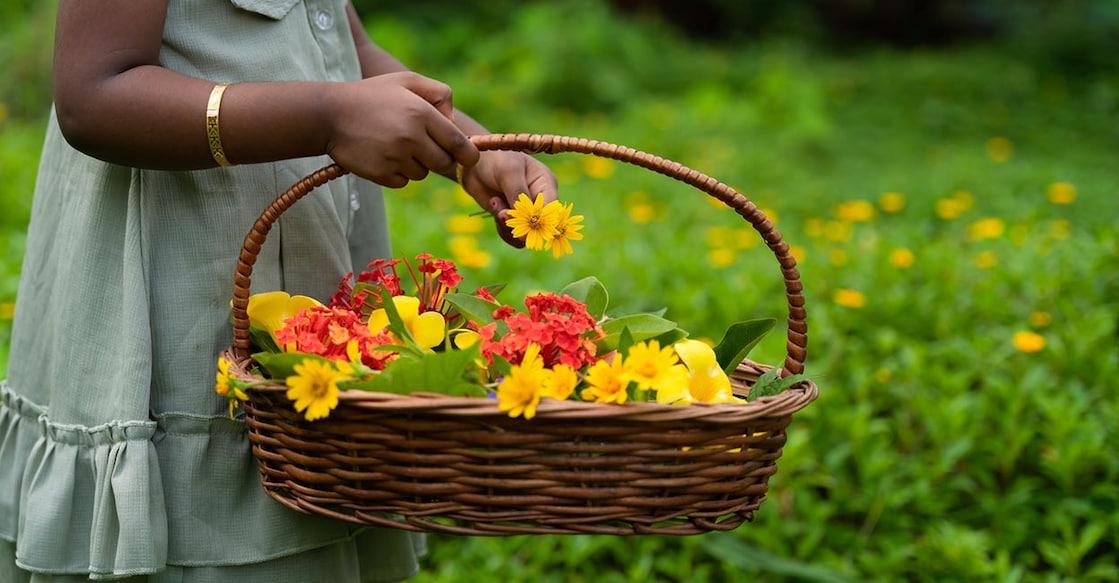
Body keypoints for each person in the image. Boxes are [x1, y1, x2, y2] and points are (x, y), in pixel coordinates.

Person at [0, 0, 557, 581]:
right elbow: (95, 96)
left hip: (307, 287)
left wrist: (471, 147)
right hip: (177, 315)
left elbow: (340, 42)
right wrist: (327, 118)